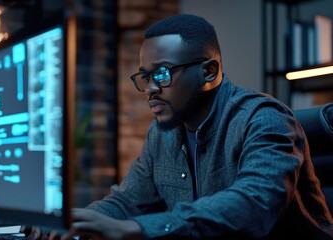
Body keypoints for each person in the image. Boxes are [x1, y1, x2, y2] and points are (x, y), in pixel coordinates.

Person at [40, 14, 333, 239]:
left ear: (209, 72)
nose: (151, 88)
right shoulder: (162, 133)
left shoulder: (265, 119)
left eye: (163, 73)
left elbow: (254, 205)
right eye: (145, 76)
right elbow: (129, 201)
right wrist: (76, 224)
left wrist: (134, 230)